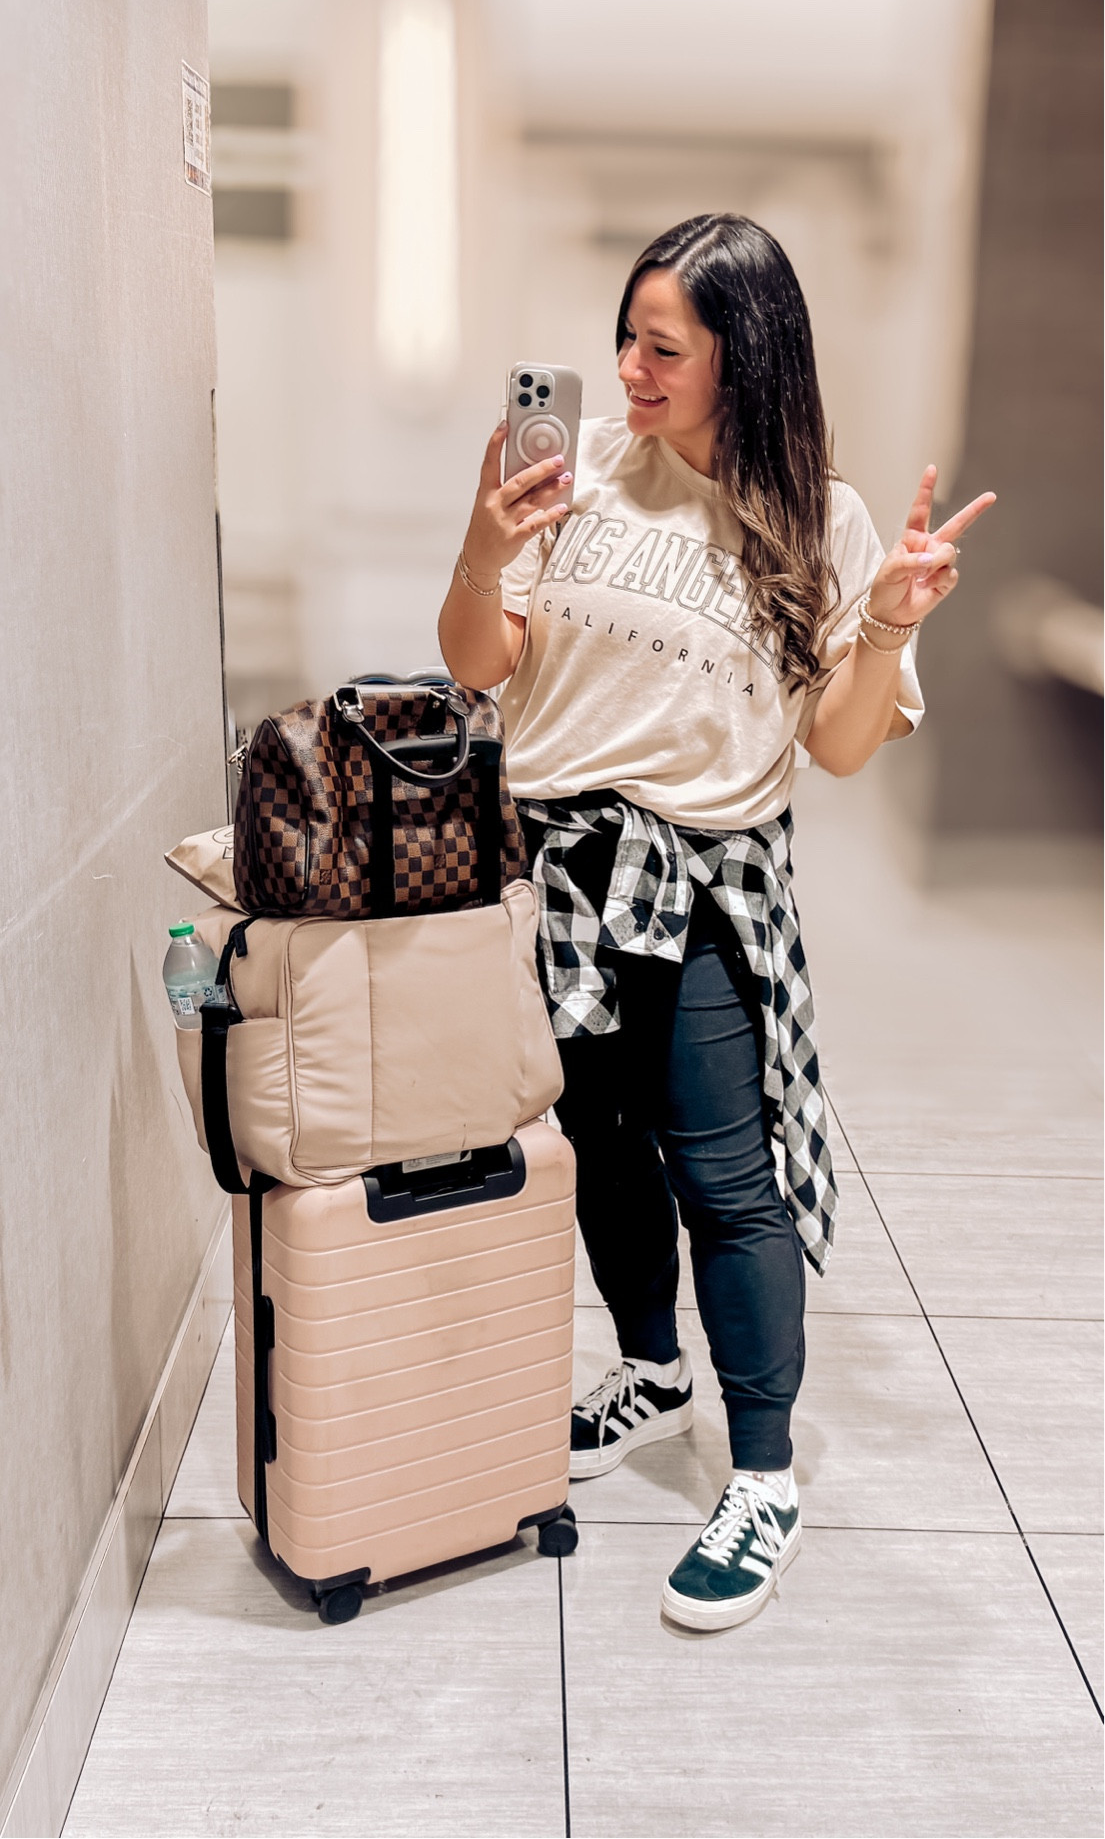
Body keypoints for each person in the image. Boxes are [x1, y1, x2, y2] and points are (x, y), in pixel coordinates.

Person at [438, 212, 994, 1633]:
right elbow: (479, 663)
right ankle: (649, 1367)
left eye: (660, 347)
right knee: (599, 1148)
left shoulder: (820, 520)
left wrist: (882, 625)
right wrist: (479, 537)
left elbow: (843, 743)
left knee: (722, 1175)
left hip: (696, 887)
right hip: (551, 875)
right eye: (624, 336)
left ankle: (761, 1472)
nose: (626, 367)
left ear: (740, 359)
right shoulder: (566, 480)